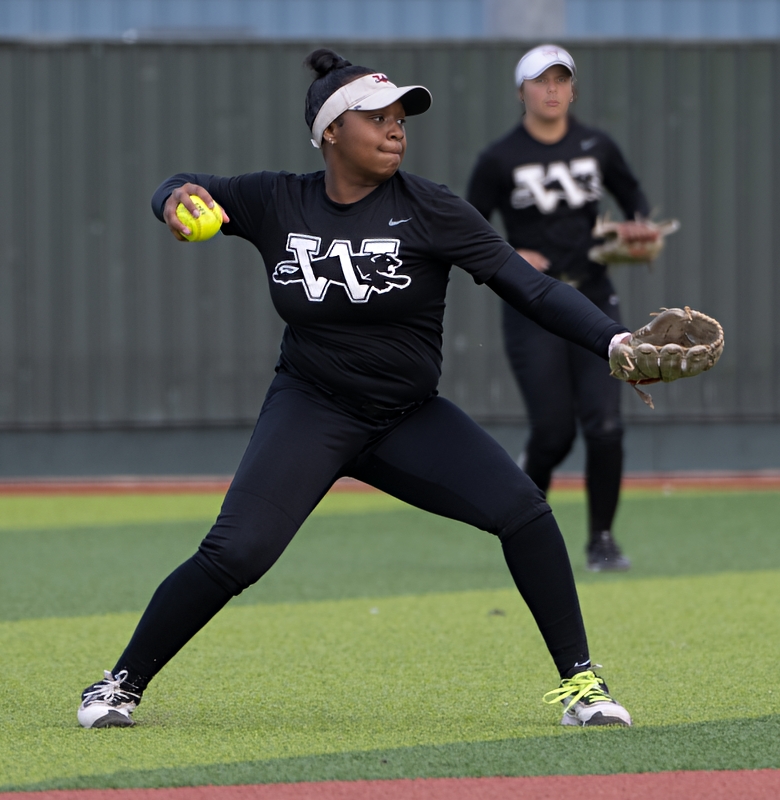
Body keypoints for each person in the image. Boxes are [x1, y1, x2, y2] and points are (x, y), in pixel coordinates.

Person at [77, 48, 634, 730]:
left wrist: (617, 342)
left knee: (525, 513)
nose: (397, 128)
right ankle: (118, 684)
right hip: (310, 409)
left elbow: (534, 289)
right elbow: (181, 182)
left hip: (407, 417)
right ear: (331, 132)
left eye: (401, 117)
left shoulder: (433, 208)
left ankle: (582, 686)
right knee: (237, 553)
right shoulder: (278, 198)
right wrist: (174, 200)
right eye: (377, 117)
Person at [467, 44, 660, 572]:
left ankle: (602, 540)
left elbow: (633, 194)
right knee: (554, 432)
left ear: (572, 89)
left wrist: (639, 225)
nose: (551, 89)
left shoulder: (597, 145)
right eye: (540, 80)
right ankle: (525, 528)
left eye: (561, 79)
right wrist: (507, 253)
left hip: (593, 295)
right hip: (533, 304)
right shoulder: (500, 158)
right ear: (521, 92)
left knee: (605, 426)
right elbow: (466, 226)